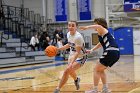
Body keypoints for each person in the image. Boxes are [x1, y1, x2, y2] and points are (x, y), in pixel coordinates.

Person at [80, 18, 120, 93]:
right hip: (115, 53)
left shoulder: (102, 29)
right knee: (100, 70)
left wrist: (87, 27)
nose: (94, 26)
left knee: (96, 69)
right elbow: (101, 43)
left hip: (110, 51)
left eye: (95, 23)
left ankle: (95, 90)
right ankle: (105, 89)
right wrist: (92, 50)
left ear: (100, 24)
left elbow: (99, 26)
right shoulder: (103, 33)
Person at [54, 21, 87, 93]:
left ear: (76, 27)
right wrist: (58, 49)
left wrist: (71, 63)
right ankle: (76, 79)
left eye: (73, 25)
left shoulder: (78, 37)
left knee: (67, 71)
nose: (70, 27)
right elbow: (69, 45)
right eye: (69, 25)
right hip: (71, 55)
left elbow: (78, 52)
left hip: (80, 56)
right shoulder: (68, 34)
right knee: (70, 71)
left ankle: (57, 89)